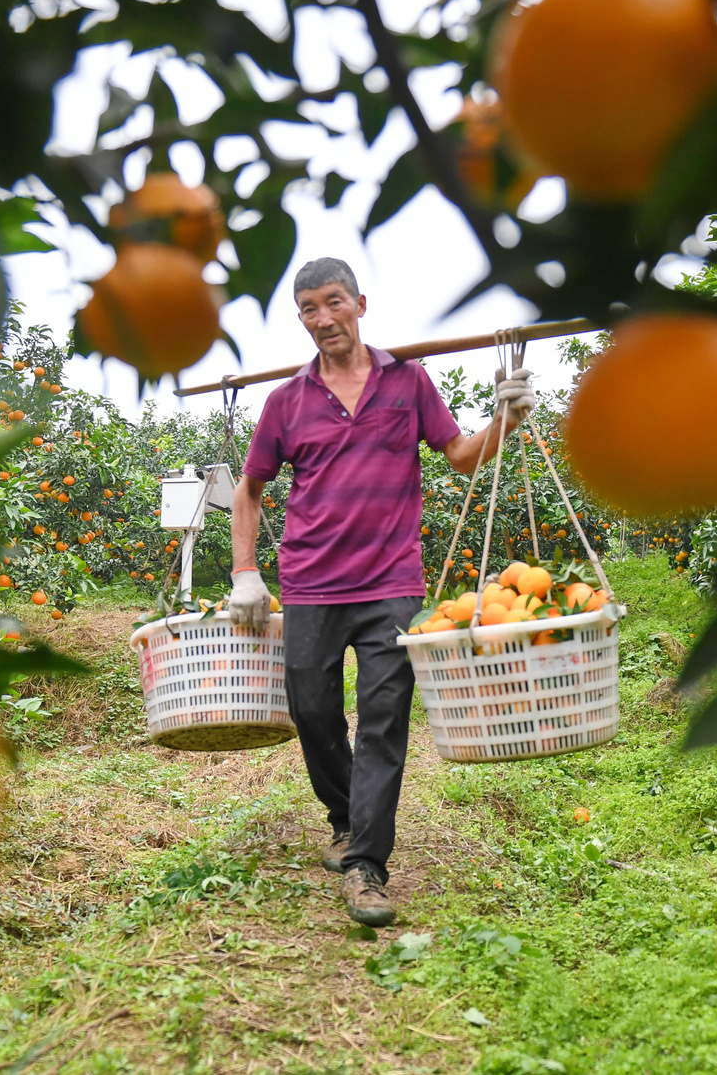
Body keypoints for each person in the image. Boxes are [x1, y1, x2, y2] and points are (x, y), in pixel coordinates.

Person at [227, 257, 534, 927]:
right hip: (309, 582)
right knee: (311, 708)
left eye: (333, 302)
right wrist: (244, 571)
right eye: (309, 308)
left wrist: (504, 418)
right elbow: (250, 489)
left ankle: (367, 861)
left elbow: (459, 454)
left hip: (392, 580)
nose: (323, 318)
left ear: (360, 304)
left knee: (384, 719)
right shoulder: (287, 401)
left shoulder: (408, 381)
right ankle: (343, 816)